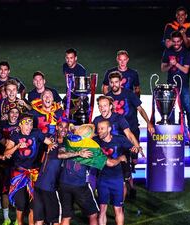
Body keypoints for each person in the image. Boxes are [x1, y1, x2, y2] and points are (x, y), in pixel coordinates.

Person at [106, 71, 154, 199]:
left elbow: (140, 109)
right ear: (109, 83)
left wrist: (149, 123)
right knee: (123, 161)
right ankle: (129, 187)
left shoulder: (129, 94)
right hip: (117, 135)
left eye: (116, 82)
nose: (114, 84)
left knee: (133, 160)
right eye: (112, 82)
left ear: (121, 82)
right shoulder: (108, 97)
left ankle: (130, 183)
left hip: (132, 131)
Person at [4, 113, 56, 225]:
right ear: (20, 125)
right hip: (19, 173)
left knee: (34, 204)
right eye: (26, 124)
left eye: (31, 124)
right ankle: (20, 222)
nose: (29, 127)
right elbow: (6, 153)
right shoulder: (15, 136)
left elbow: (50, 142)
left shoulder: (36, 133)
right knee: (21, 204)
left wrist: (51, 145)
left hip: (34, 173)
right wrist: (17, 146)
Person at [93, 120, 138, 225]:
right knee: (102, 209)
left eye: (102, 128)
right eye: (98, 128)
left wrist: (135, 149)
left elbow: (132, 147)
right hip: (102, 179)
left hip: (117, 180)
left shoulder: (120, 139)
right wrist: (120, 158)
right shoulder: (95, 141)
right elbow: (111, 163)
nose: (99, 131)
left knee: (118, 209)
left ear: (109, 129)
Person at [57, 121, 99, 225]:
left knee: (66, 216)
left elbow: (60, 154)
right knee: (93, 214)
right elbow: (107, 163)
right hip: (80, 185)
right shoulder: (91, 149)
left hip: (64, 184)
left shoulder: (68, 143)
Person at [161, 31, 190, 139]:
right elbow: (163, 68)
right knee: (171, 108)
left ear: (181, 41)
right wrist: (170, 64)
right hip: (171, 85)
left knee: (187, 106)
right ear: (171, 41)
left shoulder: (187, 52)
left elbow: (185, 70)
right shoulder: (167, 51)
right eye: (174, 42)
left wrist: (176, 64)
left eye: (178, 41)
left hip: (183, 85)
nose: (176, 44)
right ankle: (171, 132)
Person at [33, 121, 65, 225]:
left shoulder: (64, 142)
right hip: (48, 187)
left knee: (41, 219)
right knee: (53, 220)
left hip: (42, 185)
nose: (63, 129)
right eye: (61, 126)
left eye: (66, 127)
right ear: (56, 127)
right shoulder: (51, 141)